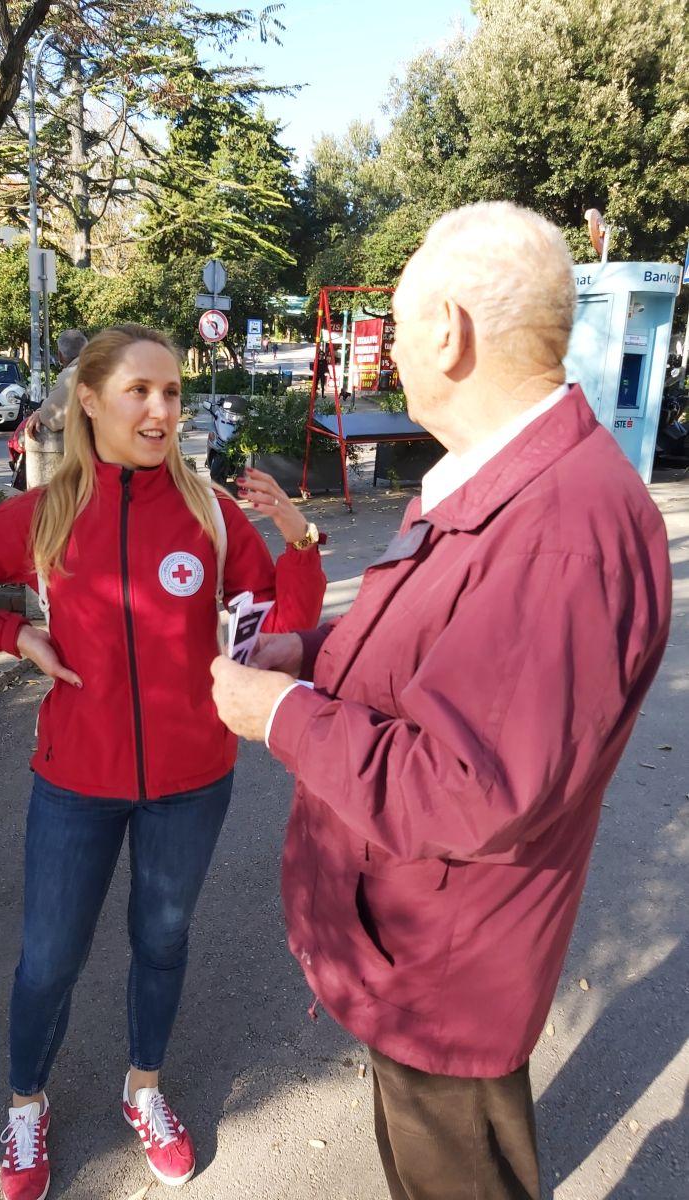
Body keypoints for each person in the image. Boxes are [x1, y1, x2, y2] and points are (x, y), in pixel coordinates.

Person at [210, 202, 672, 1200]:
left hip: (446, 966)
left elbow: (469, 788)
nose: (383, 355)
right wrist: (308, 651)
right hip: (419, 939)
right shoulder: (501, 482)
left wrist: (279, 716)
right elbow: (436, 651)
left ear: (449, 331)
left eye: (400, 324)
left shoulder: (560, 529)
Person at [0, 323, 326, 1200]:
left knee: (161, 943)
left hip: (192, 780)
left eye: (172, 393)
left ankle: (145, 1089)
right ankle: (24, 1108)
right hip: (75, 782)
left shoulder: (207, 511)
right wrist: (13, 633)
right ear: (89, 401)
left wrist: (300, 543)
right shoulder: (44, 514)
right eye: (140, 391)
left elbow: (276, 628)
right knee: (49, 958)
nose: (162, 409)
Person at [23, 328, 88, 440]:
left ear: (60, 356)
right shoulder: (103, 368)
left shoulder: (70, 376)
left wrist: (39, 413)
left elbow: (51, 415)